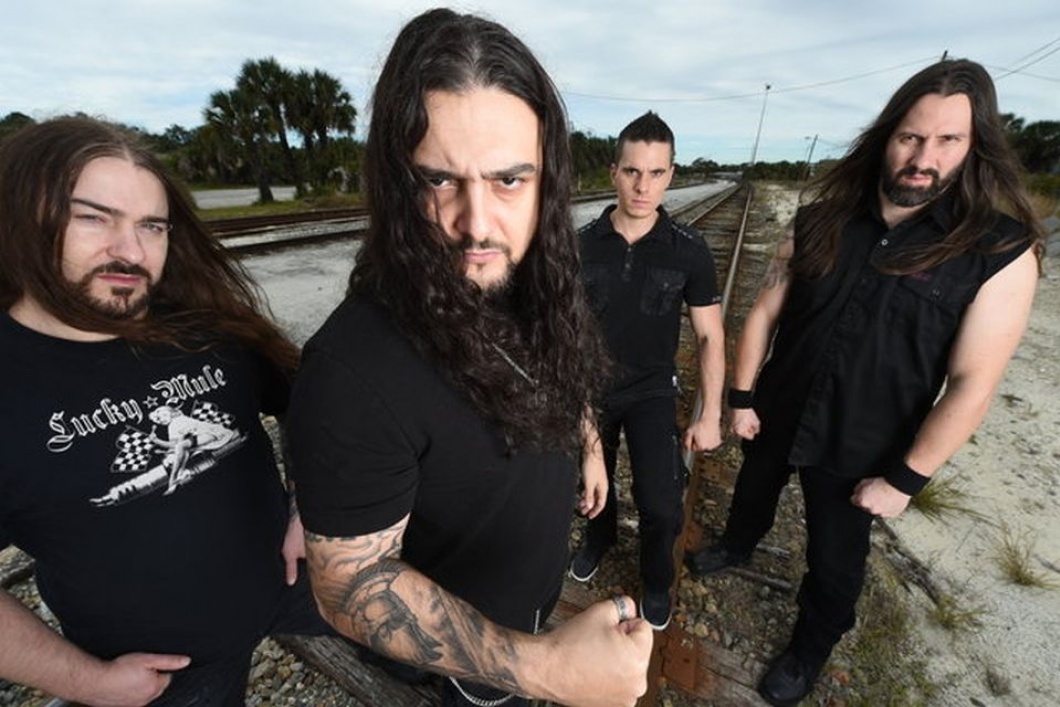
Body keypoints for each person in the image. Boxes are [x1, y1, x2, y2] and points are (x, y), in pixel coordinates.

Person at [285, 8, 652, 707]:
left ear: (548, 180)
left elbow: (556, 364)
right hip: (468, 659)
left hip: (531, 598)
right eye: (439, 180)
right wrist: (544, 668)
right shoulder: (351, 369)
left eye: (509, 180)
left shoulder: (534, 277)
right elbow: (348, 582)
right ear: (396, 182)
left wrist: (588, 444)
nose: (477, 225)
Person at [685, 58, 1043, 706]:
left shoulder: (998, 252)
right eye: (911, 136)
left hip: (865, 448)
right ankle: (737, 544)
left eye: (948, 140)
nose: (924, 158)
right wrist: (740, 398)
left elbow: (972, 383)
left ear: (975, 146)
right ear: (886, 136)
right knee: (752, 491)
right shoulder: (819, 219)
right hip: (778, 409)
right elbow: (764, 312)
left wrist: (905, 479)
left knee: (835, 560)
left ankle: (808, 650)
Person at [0, 116, 335, 706]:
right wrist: (88, 682)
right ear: (21, 218)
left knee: (424, 624)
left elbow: (312, 402)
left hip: (295, 578)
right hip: (167, 666)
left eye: (151, 226)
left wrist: (308, 505)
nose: (131, 251)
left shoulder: (206, 327)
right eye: (93, 218)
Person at [569, 111, 725, 630]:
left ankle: (656, 579)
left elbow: (710, 336)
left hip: (651, 390)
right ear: (614, 172)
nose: (643, 186)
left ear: (671, 175)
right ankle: (599, 538)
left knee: (661, 504)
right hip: (589, 391)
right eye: (633, 171)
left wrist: (710, 413)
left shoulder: (689, 250)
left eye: (656, 173)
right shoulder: (580, 245)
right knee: (589, 487)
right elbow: (564, 333)